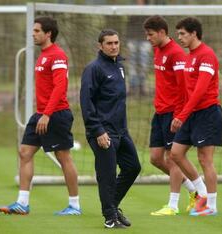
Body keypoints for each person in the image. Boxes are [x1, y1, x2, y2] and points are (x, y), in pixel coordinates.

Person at [0, 16, 81, 216]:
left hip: (56, 114)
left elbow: (61, 87)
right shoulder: (42, 55)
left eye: (36, 31)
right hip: (41, 113)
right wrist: (42, 113)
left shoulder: (57, 55)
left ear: (48, 33)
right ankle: (22, 203)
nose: (33, 34)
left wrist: (47, 114)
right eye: (33, 30)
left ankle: (75, 206)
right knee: (25, 152)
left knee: (64, 157)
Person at [80, 29, 141, 229]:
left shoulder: (120, 67)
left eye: (116, 42)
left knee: (133, 167)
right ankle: (110, 217)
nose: (114, 46)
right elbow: (86, 103)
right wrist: (98, 131)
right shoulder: (93, 69)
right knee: (107, 175)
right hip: (102, 132)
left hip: (121, 131)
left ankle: (112, 207)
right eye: (109, 43)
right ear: (100, 46)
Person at [143, 15, 197, 216]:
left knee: (173, 158)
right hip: (159, 112)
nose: (148, 38)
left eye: (150, 35)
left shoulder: (176, 54)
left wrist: (180, 115)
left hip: (173, 113)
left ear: (162, 32)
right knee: (156, 158)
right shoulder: (157, 50)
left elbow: (185, 88)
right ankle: (193, 190)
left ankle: (172, 206)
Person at [170, 17, 222, 216]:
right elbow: (187, 91)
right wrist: (180, 113)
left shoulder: (206, 55)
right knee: (175, 153)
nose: (180, 38)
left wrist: (182, 115)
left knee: (205, 159)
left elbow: (200, 91)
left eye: (183, 34)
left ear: (194, 33)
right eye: (178, 34)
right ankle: (201, 191)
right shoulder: (190, 56)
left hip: (207, 113)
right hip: (191, 113)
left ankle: (211, 206)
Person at [126, 0, 151, 96]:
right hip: (132, 40)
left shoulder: (150, 10)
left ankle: (141, 87)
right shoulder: (131, 9)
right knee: (132, 64)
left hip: (145, 40)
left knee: (143, 64)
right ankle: (132, 87)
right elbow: (129, 24)